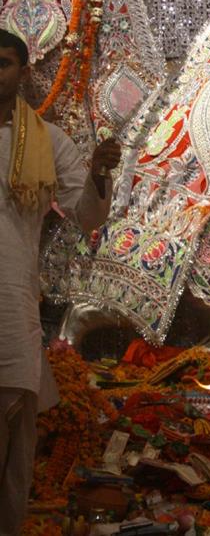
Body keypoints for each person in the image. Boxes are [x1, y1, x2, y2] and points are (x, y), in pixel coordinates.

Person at [0, 29, 121, 535]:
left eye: (3, 63)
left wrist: (98, 175)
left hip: (10, 303)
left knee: (13, 430)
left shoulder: (47, 140)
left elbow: (86, 214)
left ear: (23, 73)